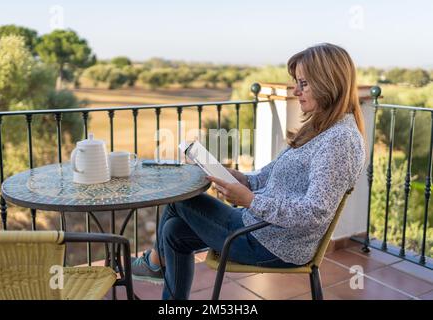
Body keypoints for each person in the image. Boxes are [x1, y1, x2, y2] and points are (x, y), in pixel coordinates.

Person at [130, 43, 366, 300]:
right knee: (172, 232)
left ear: (328, 84)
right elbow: (271, 176)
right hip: (262, 227)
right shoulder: (322, 128)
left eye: (304, 84)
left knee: (180, 203)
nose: (296, 91)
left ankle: (153, 262)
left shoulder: (340, 140)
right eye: (296, 82)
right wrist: (242, 179)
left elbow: (314, 212)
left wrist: (249, 200)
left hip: (274, 244)